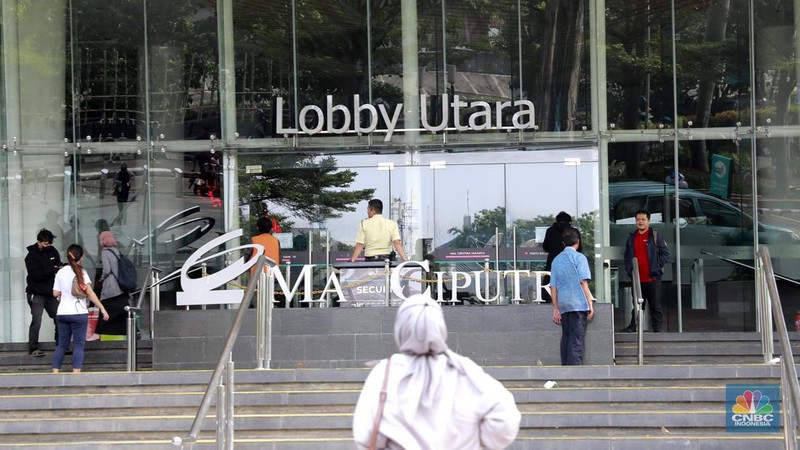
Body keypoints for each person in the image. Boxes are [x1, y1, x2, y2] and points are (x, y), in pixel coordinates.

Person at [352, 294, 520, 449]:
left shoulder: (384, 373)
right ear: (440, 327)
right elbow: (505, 422)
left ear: (400, 328)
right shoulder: (466, 370)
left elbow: (365, 436)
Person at [52, 244, 109, 373]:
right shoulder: (82, 272)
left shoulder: (61, 271)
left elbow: (55, 293)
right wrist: (102, 308)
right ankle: (76, 374)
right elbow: (90, 293)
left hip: (62, 313)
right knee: (78, 345)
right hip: (79, 314)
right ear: (81, 257)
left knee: (62, 345)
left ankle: (55, 373)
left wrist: (63, 292)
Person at [549, 227, 595, 365]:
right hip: (578, 303)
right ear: (578, 242)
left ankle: (565, 368)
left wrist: (556, 308)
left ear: (563, 243)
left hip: (563, 304)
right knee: (576, 338)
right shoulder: (580, 258)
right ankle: (575, 372)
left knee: (566, 337)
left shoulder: (556, 260)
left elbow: (553, 287)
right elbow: (583, 282)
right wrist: (590, 303)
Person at [621, 209, 670, 333]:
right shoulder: (632, 238)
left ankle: (657, 329)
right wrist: (629, 270)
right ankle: (633, 327)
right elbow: (627, 256)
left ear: (648, 220)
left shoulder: (655, 235)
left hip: (653, 278)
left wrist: (657, 266)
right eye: (638, 220)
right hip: (637, 279)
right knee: (637, 306)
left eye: (643, 219)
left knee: (655, 306)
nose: (640, 222)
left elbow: (665, 253)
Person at [24, 229, 63, 357]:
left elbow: (58, 265)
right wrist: (53, 270)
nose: (48, 246)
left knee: (59, 317)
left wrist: (61, 267)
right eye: (45, 244)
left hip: (50, 292)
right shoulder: (31, 256)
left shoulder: (53, 251)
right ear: (39, 242)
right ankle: (33, 347)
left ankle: (61, 345)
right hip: (36, 292)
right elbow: (35, 275)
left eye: (49, 244)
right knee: (37, 320)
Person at [94, 231, 129, 337]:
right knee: (121, 308)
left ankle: (102, 332)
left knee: (106, 307)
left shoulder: (105, 252)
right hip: (120, 285)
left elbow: (107, 270)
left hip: (110, 285)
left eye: (100, 239)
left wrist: (101, 279)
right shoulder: (116, 251)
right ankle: (128, 331)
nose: (99, 242)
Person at [541, 211, 582, 302]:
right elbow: (579, 248)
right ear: (569, 221)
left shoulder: (550, 230)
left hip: (553, 260)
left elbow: (545, 247)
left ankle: (548, 300)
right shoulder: (574, 232)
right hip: (571, 261)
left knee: (550, 282)